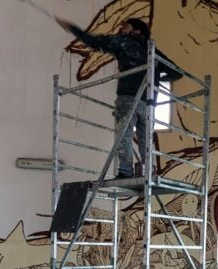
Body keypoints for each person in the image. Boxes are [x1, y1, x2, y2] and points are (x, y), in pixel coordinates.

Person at [55, 17, 182, 178]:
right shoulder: (153, 50)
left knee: (124, 135)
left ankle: (125, 171)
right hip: (149, 103)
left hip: (128, 97)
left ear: (137, 30)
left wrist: (72, 28)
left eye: (126, 27)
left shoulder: (124, 42)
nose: (121, 29)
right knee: (145, 139)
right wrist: (152, 78)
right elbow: (176, 72)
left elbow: (94, 42)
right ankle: (149, 171)